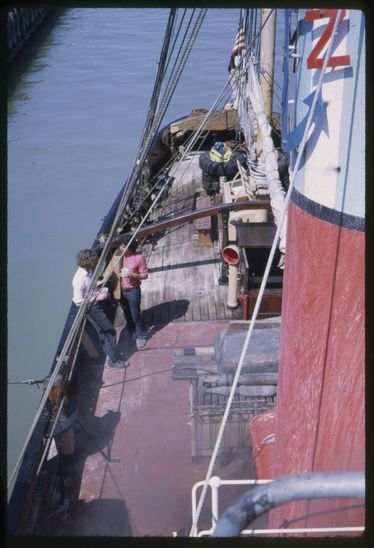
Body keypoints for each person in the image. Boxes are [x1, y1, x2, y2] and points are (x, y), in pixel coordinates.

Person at [72, 249, 128, 368]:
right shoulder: (79, 279)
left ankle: (108, 352)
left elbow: (90, 289)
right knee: (109, 332)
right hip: (91, 309)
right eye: (94, 259)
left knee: (103, 332)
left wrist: (98, 289)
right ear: (88, 261)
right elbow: (77, 301)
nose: (96, 261)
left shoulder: (89, 271)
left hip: (96, 304)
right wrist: (98, 297)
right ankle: (113, 360)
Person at [116, 234, 148, 350]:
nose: (120, 248)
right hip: (120, 291)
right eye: (120, 246)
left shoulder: (139, 257)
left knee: (135, 314)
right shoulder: (119, 256)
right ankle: (131, 329)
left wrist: (132, 275)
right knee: (126, 313)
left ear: (130, 247)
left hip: (133, 290)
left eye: (123, 246)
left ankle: (141, 334)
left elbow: (145, 275)